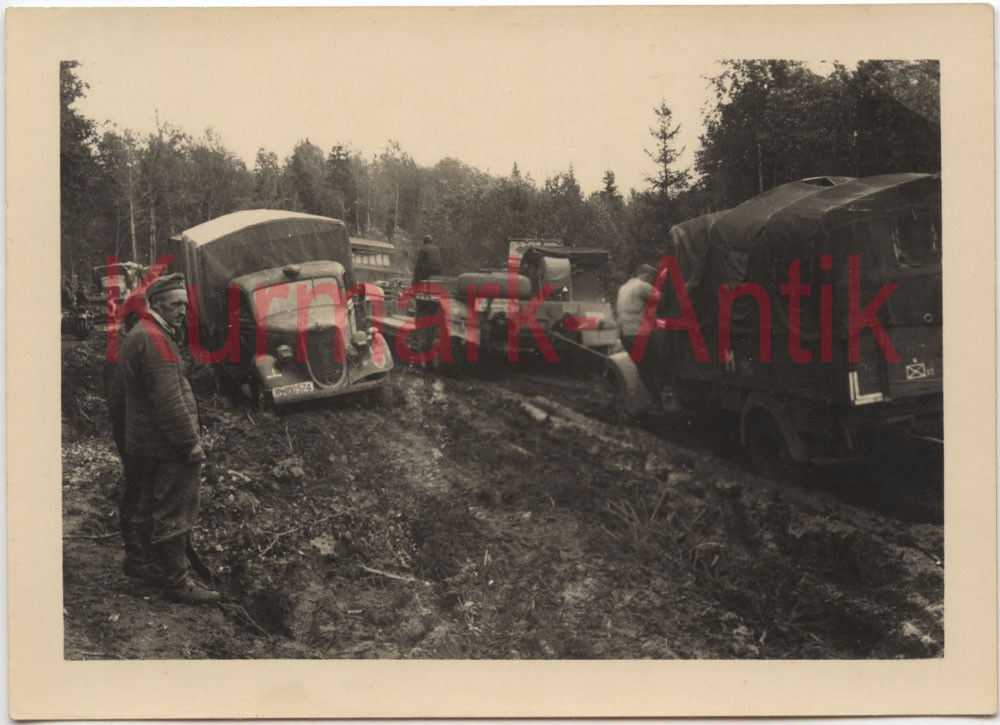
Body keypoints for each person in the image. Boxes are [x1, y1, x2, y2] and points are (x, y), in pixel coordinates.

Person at [122, 272, 220, 604]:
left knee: (150, 505)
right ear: (157, 304)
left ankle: (150, 565)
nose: (182, 311)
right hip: (166, 444)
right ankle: (177, 581)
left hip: (146, 442)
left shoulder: (143, 333)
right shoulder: (155, 340)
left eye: (185, 305)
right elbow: (168, 403)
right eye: (176, 304)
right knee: (175, 509)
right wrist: (189, 444)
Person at [616, 263, 663, 409]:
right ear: (646, 275)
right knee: (658, 365)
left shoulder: (623, 288)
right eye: (651, 278)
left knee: (643, 368)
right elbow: (663, 300)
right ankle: (659, 400)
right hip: (639, 334)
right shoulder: (642, 286)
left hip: (625, 334)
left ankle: (650, 399)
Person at [411, 235, 443, 359]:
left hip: (428, 272)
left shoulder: (423, 249)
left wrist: (414, 279)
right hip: (437, 273)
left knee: (416, 282)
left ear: (424, 241)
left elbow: (418, 265)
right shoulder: (436, 248)